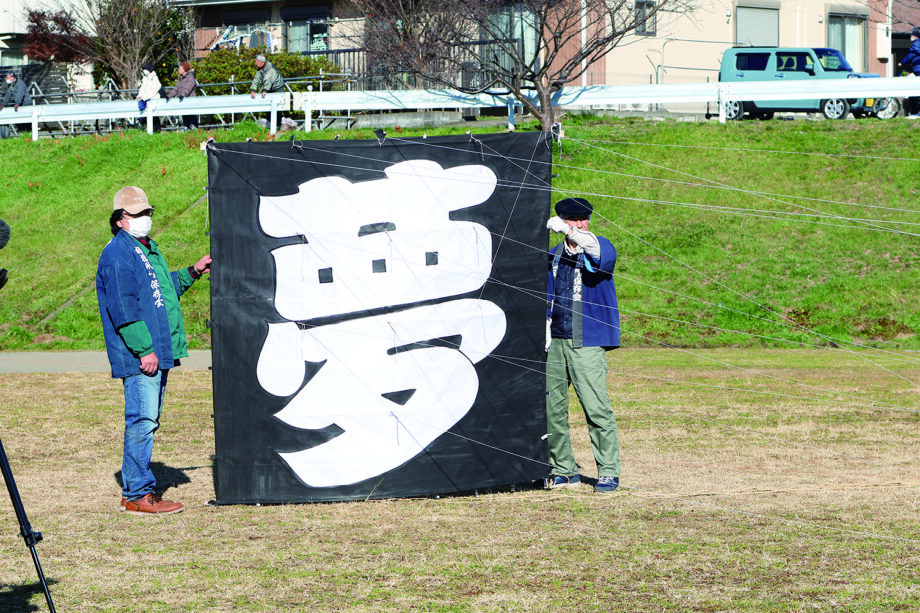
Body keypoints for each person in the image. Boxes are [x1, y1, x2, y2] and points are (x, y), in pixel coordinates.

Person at [96, 186, 211, 515]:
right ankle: (138, 495)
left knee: (146, 421)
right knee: (142, 422)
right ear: (121, 220)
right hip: (140, 355)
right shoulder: (118, 254)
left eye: (148, 212)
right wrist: (145, 350)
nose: (146, 218)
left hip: (156, 350)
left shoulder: (146, 249)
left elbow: (162, 291)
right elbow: (123, 308)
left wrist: (193, 272)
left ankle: (134, 489)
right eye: (138, 214)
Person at [545, 197, 622, 493]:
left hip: (586, 341)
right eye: (572, 220)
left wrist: (572, 233)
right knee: (553, 408)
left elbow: (598, 254)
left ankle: (608, 471)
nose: (579, 224)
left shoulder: (599, 245)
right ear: (563, 220)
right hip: (556, 341)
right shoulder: (552, 255)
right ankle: (563, 468)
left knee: (596, 407)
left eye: (582, 220)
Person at [166, 61, 198, 130]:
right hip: (183, 101)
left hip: (190, 101)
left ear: (184, 69)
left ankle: (195, 131)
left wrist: (182, 95)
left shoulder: (190, 77)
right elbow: (176, 89)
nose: (178, 70)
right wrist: (169, 96)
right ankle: (187, 130)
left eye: (180, 68)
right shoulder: (181, 78)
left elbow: (188, 88)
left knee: (191, 117)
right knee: (185, 117)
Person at [0, 72, 33, 136]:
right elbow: (8, 95)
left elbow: (20, 94)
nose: (6, 79)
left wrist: (17, 102)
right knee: (19, 120)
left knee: (27, 121)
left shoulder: (20, 83)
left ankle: (29, 134)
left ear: (12, 77)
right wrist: (3, 104)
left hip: (26, 104)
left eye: (8, 77)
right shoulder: (11, 85)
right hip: (19, 104)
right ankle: (23, 134)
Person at [898, 27, 920, 118]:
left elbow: (910, 55)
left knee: (914, 92)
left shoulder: (916, 44)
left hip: (918, 69)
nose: (912, 37)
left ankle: (915, 112)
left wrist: (902, 62)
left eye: (913, 35)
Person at [137, 63, 163, 131]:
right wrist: (140, 96)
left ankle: (157, 131)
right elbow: (142, 89)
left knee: (154, 117)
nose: (144, 71)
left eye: (145, 69)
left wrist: (145, 97)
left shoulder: (154, 78)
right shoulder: (145, 78)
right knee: (146, 117)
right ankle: (149, 131)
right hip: (145, 100)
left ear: (149, 70)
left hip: (153, 100)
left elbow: (154, 90)